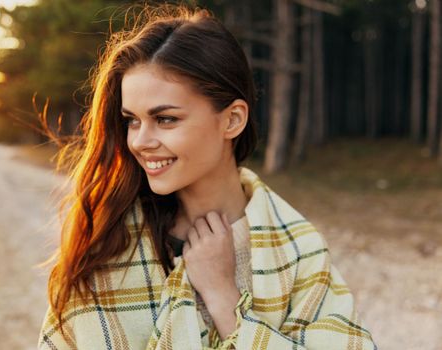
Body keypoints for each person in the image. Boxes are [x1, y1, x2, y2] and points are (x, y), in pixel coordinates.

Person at [38, 4, 376, 349]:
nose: (140, 141)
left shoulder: (297, 248)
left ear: (231, 120)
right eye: (132, 120)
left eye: (166, 119)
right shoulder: (108, 239)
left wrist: (223, 298)